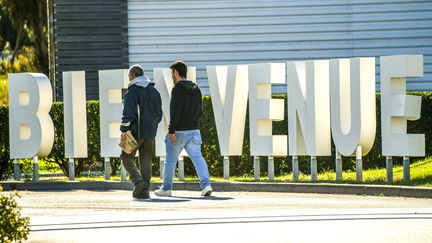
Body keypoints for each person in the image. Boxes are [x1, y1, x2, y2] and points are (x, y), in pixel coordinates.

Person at [154, 60, 212, 197]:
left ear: (176, 73)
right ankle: (206, 185)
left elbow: (175, 112)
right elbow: (200, 111)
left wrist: (171, 130)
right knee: (198, 158)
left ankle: (166, 188)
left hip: (179, 132)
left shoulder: (177, 89)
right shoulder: (196, 89)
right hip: (194, 130)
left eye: (172, 73)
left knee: (170, 160)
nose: (172, 76)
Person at [120, 64, 162, 199]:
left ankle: (139, 183)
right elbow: (159, 114)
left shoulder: (132, 92)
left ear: (132, 75)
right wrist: (153, 125)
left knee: (125, 157)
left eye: (128, 76)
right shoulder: (154, 91)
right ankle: (145, 191)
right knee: (146, 159)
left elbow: (129, 114)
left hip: (135, 132)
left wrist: (124, 130)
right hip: (150, 132)